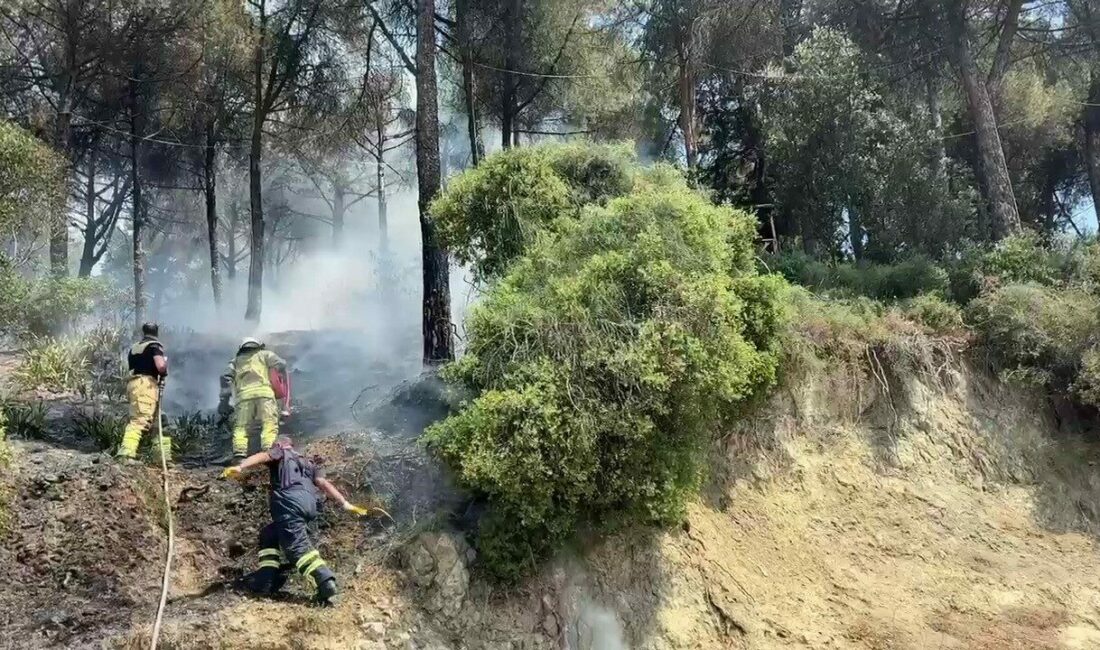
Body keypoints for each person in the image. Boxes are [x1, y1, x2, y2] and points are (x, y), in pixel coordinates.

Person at [221, 436, 370, 604]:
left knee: (296, 547)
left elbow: (263, 456)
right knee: (269, 534)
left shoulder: (281, 451)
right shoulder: (309, 462)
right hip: (309, 504)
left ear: (279, 444)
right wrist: (345, 503)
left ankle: (324, 580)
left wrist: (240, 466)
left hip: (289, 502)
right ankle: (266, 579)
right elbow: (324, 484)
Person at [220, 337, 287, 459]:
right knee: (269, 423)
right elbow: (282, 364)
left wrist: (224, 401)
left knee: (241, 427)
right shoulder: (266, 355)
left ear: (242, 348)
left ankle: (239, 454)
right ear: (257, 346)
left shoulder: (235, 361)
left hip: (244, 397)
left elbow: (225, 377)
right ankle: (269, 450)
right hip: (265, 395)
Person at [118, 322, 169, 462]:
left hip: (134, 384)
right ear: (157, 333)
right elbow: (160, 367)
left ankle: (162, 457)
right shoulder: (154, 346)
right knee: (139, 421)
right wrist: (164, 367)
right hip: (145, 385)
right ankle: (125, 455)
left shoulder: (135, 348)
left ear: (143, 332)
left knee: (159, 420)